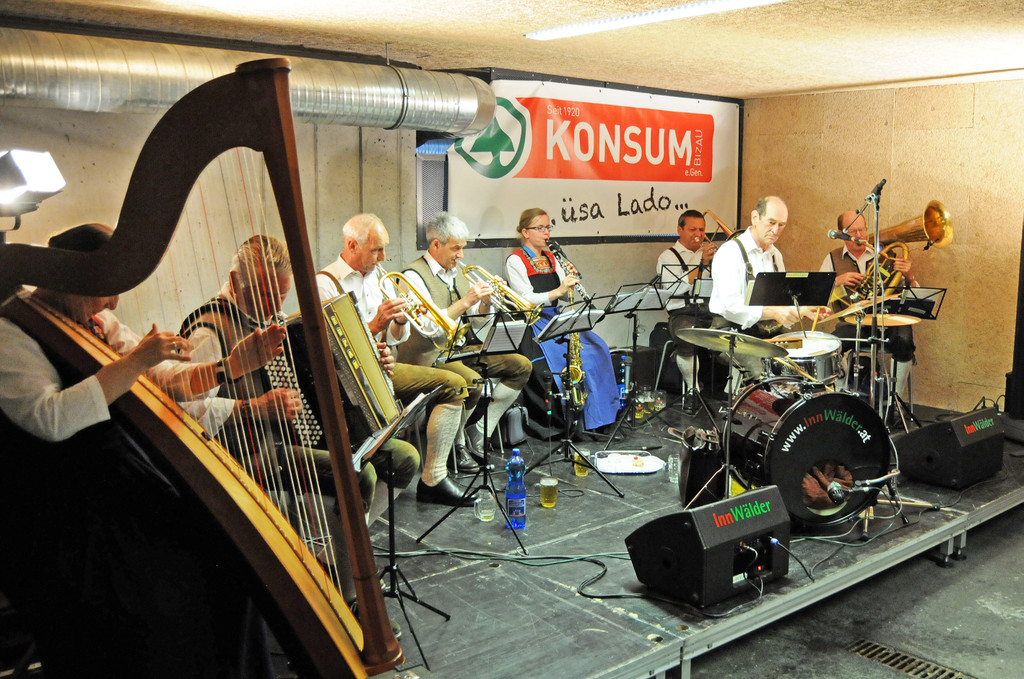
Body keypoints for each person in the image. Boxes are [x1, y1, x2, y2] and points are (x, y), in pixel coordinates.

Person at [0, 223, 274, 678]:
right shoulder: (10, 333)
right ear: (70, 280)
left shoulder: (96, 321)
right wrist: (137, 359)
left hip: (116, 488)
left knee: (228, 562)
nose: (113, 304)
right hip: (61, 515)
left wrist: (229, 366)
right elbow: (51, 418)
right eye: (106, 290)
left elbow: (159, 379)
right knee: (173, 600)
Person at [179, 235, 419, 614]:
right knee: (358, 476)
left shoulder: (272, 320)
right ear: (235, 280)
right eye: (266, 294)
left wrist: (373, 363)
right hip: (245, 450)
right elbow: (185, 410)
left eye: (282, 295)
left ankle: (336, 549)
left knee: (403, 458)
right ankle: (349, 595)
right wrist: (252, 408)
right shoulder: (207, 331)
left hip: (291, 436)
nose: (276, 307)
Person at [316, 214, 472, 507]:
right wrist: (374, 326)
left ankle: (434, 477)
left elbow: (396, 337)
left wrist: (399, 320)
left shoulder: (379, 278)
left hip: (382, 367)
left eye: (384, 249)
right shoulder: (325, 283)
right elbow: (327, 346)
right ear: (351, 245)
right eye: (376, 250)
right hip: (345, 379)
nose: (383, 257)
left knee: (454, 385)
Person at [398, 212, 532, 457]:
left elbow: (479, 322)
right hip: (429, 356)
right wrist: (467, 300)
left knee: (521, 366)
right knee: (472, 382)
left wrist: (486, 302)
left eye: (463, 248)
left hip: (460, 350)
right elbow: (429, 327)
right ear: (435, 245)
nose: (461, 255)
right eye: (456, 248)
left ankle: (479, 430)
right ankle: (456, 445)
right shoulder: (413, 276)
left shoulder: (458, 273)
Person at [504, 207, 619, 433]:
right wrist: (559, 290)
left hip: (557, 318)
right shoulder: (515, 261)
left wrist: (570, 284)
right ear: (525, 232)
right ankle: (575, 421)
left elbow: (563, 296)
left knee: (599, 349)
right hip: (534, 323)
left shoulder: (551, 257)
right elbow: (525, 299)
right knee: (567, 364)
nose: (546, 232)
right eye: (540, 228)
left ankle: (602, 416)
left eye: (548, 227)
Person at [709, 196, 830, 379]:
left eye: (781, 225)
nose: (776, 230)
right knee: (762, 373)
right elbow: (730, 306)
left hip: (767, 334)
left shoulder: (775, 255)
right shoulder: (730, 252)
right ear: (755, 218)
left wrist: (805, 311)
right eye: (771, 222)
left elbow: (781, 302)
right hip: (731, 334)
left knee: (808, 359)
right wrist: (773, 312)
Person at [820, 209, 918, 397]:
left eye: (862, 230)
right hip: (852, 323)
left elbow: (912, 296)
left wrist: (909, 276)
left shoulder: (885, 255)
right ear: (841, 233)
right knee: (832, 346)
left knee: (905, 340)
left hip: (887, 321)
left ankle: (895, 400)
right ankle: (840, 396)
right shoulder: (832, 258)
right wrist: (837, 281)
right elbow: (817, 295)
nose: (860, 235)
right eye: (853, 231)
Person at [657, 209, 717, 404]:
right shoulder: (668, 257)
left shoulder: (710, 255)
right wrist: (702, 263)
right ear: (679, 230)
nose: (698, 234)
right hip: (682, 313)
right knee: (686, 335)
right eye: (692, 229)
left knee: (738, 331)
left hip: (709, 311)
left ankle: (732, 391)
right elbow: (675, 287)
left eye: (701, 229)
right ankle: (693, 390)